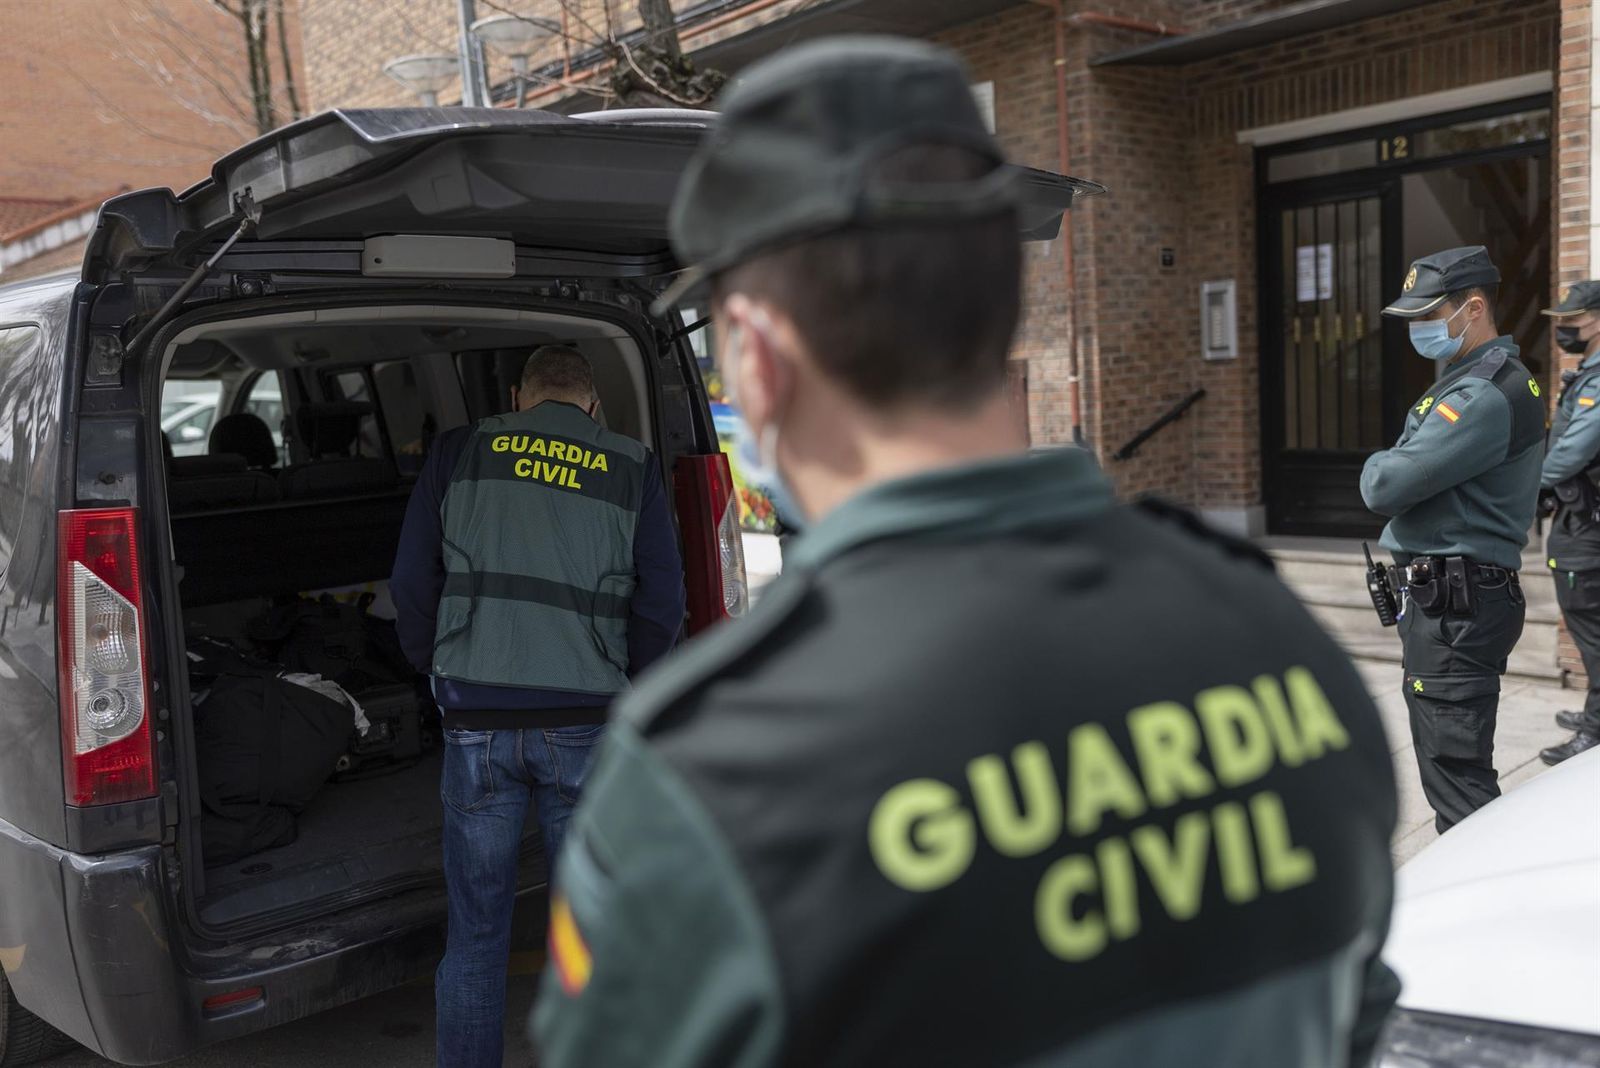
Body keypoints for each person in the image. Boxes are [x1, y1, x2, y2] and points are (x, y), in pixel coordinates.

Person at [534, 36, 1399, 1068]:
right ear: (1004, 313)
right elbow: (1356, 1011)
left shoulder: (716, 775)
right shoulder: (1269, 633)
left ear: (757, 359)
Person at [390, 344, 685, 1068]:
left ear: (519, 395)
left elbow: (410, 579)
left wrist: (435, 664)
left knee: (477, 938)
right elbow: (663, 603)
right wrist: (633, 684)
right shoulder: (631, 464)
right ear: (590, 403)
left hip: (475, 724)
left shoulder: (461, 450)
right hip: (586, 721)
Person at [1361, 247, 1544, 832]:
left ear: (1473, 307)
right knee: (1454, 774)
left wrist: (1383, 460)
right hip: (1455, 600)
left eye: (1428, 315)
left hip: (1458, 608)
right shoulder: (1471, 381)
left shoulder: (1481, 395)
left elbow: (1385, 484)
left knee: (1459, 789)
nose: (1418, 329)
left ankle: (1484, 910)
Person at [1537, 281, 1600, 765]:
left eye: (1572, 320)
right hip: (1580, 518)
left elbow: (1571, 453)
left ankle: (1596, 729)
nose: (1563, 329)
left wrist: (1528, 485)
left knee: (1589, 623)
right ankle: (1594, 710)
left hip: (1587, 526)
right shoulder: (1588, 374)